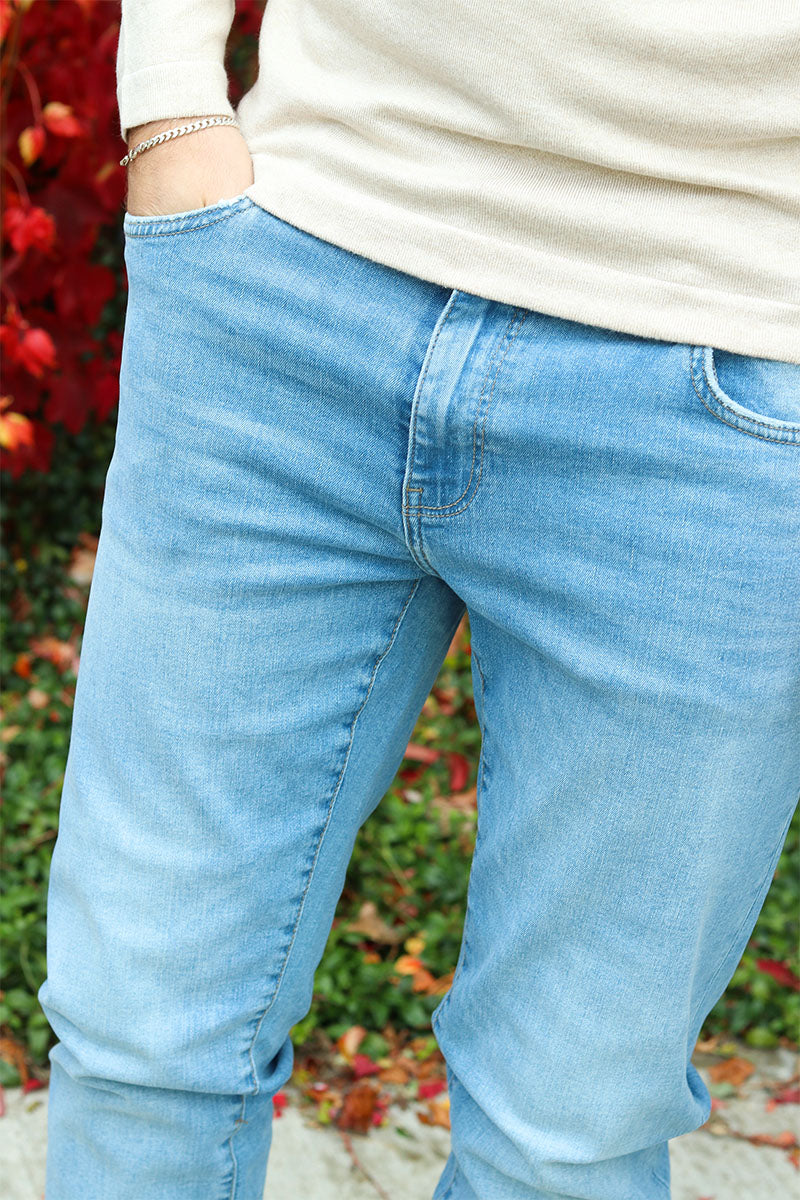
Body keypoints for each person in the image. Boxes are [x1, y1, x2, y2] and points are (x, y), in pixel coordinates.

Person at [37, 1, 800, 1197]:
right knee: (142, 1039)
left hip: (734, 358)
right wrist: (168, 99)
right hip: (293, 265)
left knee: (562, 1138)